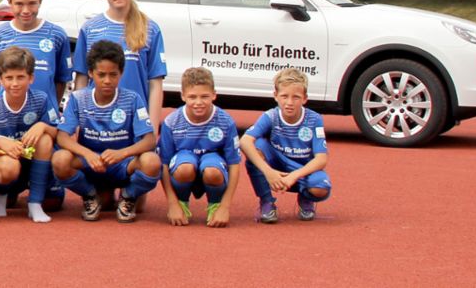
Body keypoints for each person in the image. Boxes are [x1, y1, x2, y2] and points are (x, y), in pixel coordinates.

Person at [53, 40, 162, 223]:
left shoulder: (132, 99)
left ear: (121, 73)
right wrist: (87, 154)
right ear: (90, 73)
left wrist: (122, 153)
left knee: (151, 161)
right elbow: (62, 137)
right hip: (91, 162)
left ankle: (128, 196)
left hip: (122, 163)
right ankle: (90, 195)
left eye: (113, 74)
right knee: (60, 159)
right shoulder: (79, 99)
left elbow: (149, 141)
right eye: (101, 74)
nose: (107, 80)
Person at [71, 0, 166, 127]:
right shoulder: (90, 28)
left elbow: (155, 83)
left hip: (135, 118)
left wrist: (153, 128)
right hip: (97, 121)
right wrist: (78, 122)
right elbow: (82, 79)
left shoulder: (150, 28)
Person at [0, 46, 60, 223]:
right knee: (9, 166)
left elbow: (57, 133)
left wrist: (42, 126)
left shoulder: (41, 99)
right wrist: (1, 144)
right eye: (9, 78)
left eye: (20, 77)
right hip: (2, 163)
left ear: (31, 78)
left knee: (45, 139)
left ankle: (35, 203)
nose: (15, 83)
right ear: (0, 79)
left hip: (32, 161)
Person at [241, 67, 333, 223]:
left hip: (301, 170)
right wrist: (268, 171)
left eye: (296, 97)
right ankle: (267, 202)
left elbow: (321, 159)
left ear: (305, 98)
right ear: (275, 96)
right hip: (276, 166)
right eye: (284, 96)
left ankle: (305, 197)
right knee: (257, 149)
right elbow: (244, 141)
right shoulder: (271, 116)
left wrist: (294, 176)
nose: (289, 103)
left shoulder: (314, 119)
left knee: (320, 188)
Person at [158, 66, 242, 228]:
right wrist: (172, 203)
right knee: (185, 167)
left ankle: (215, 205)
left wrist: (225, 207)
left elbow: (234, 164)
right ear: (182, 96)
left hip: (211, 167)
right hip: (185, 166)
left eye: (204, 96)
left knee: (212, 169)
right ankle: (182, 203)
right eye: (192, 97)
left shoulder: (226, 121)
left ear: (214, 95)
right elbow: (164, 164)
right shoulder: (172, 122)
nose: (198, 102)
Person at [0, 0, 71, 103]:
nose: (26, 10)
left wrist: (51, 106)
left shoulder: (57, 35)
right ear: (9, 1)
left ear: (40, 1)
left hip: (45, 119)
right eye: (19, 4)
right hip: (10, 118)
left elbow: (61, 80)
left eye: (32, 3)